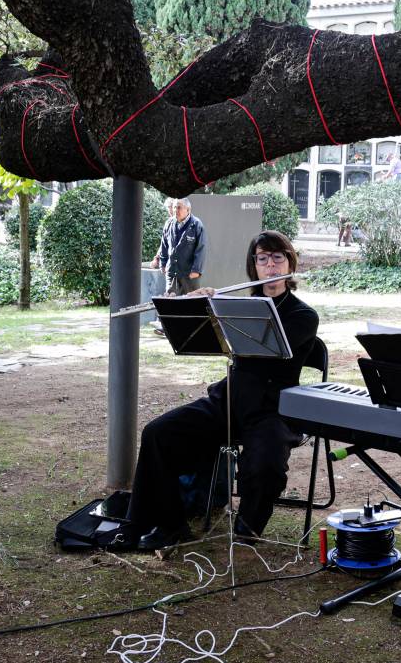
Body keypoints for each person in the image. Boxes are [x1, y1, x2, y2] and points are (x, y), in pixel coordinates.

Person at [119, 230, 319, 551]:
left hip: (272, 409)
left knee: (266, 463)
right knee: (158, 433)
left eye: (277, 258)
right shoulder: (239, 306)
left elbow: (264, 355)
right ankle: (167, 524)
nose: (270, 266)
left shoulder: (303, 315)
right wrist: (200, 308)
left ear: (289, 263)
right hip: (228, 401)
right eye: (262, 259)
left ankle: (247, 528)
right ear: (253, 266)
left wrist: (222, 308)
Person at [149, 197, 206, 295]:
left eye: (179, 207)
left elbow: (201, 250)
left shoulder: (197, 225)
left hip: (189, 275)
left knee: (191, 305)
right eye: (174, 207)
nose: (176, 210)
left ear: (188, 210)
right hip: (172, 273)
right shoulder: (169, 223)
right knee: (171, 305)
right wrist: (163, 264)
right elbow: (164, 246)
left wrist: (196, 270)